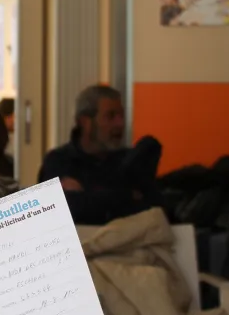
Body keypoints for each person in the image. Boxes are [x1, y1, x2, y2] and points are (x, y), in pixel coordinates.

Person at [38, 85, 162, 225]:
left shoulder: (128, 160)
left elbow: (150, 209)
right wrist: (124, 196)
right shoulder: (58, 161)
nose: (119, 124)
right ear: (86, 122)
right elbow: (55, 214)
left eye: (121, 116)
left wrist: (85, 194)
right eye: (110, 116)